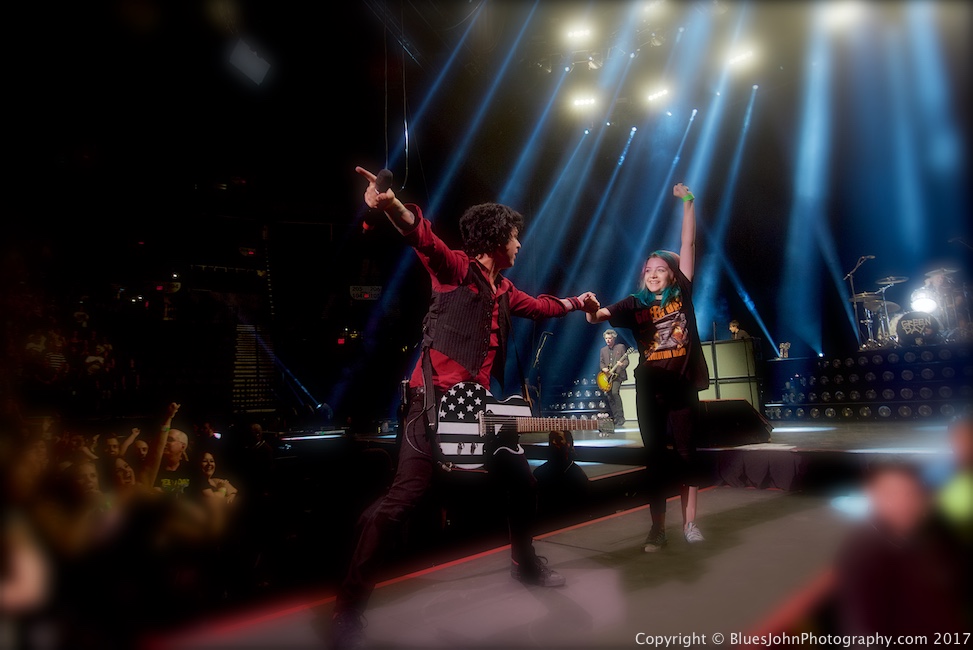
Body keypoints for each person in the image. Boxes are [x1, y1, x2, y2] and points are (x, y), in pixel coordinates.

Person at [329, 165, 601, 649]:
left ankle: (525, 564)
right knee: (403, 499)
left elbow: (541, 306)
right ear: (496, 240)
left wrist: (578, 301)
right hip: (428, 404)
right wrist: (390, 203)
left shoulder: (505, 291)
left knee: (522, 479)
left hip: (479, 409)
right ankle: (348, 607)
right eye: (515, 238)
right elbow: (423, 238)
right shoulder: (456, 269)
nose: (519, 245)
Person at [585, 182, 709, 552]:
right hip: (650, 389)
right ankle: (657, 529)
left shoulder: (683, 291)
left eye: (660, 269)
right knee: (655, 459)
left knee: (687, 456)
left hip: (682, 386)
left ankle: (690, 524)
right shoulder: (634, 303)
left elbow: (687, 246)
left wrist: (688, 203)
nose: (654, 273)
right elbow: (598, 318)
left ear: (672, 274)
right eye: (648, 269)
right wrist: (590, 307)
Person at [599, 329, 629, 427]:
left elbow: (626, 361)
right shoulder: (603, 350)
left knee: (615, 393)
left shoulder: (620, 347)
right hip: (608, 376)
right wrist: (603, 368)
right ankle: (616, 417)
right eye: (606, 338)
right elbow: (601, 362)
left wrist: (621, 364)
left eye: (609, 338)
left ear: (613, 338)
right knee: (609, 395)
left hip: (618, 375)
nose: (608, 340)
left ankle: (621, 417)